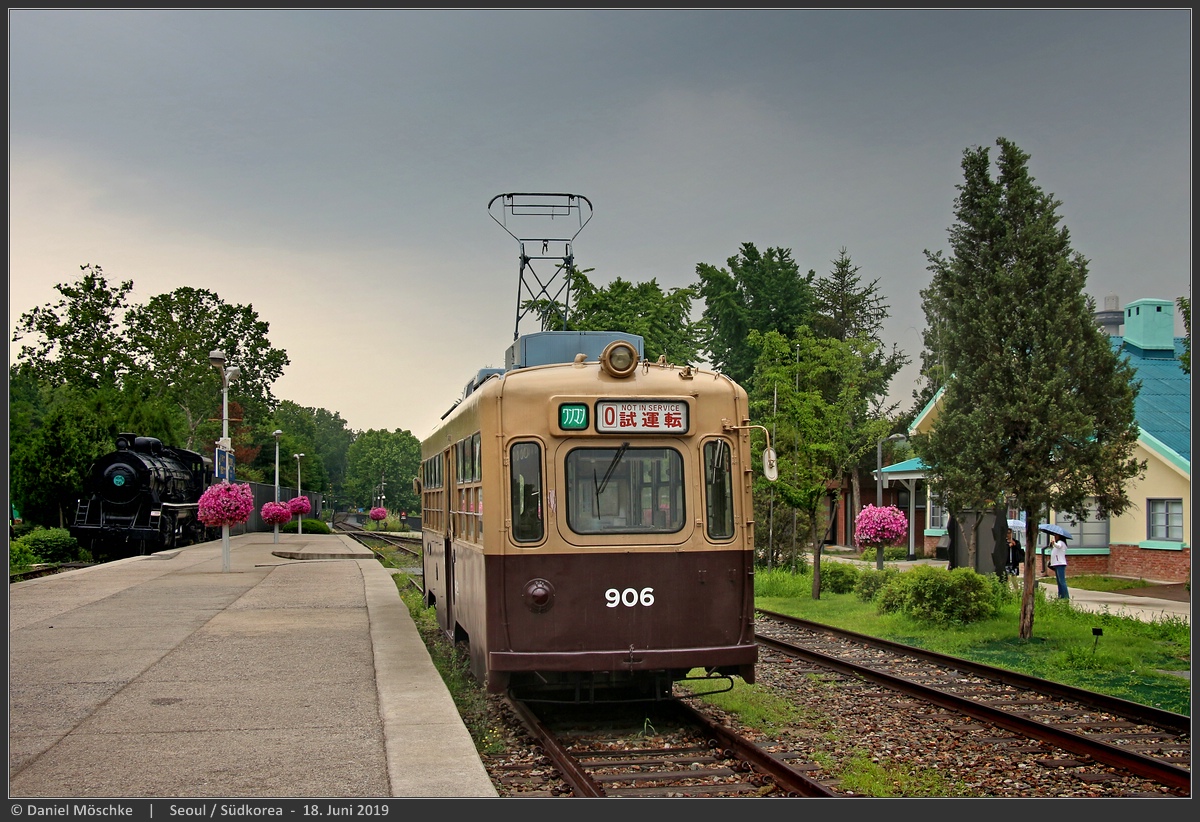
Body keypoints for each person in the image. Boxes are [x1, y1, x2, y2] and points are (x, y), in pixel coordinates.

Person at [1048, 532, 1069, 600]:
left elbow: (1058, 546)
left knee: (1062, 581)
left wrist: (1054, 543)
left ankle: (1065, 596)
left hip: (1060, 563)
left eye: (1056, 535)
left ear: (1060, 536)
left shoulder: (1061, 542)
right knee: (1059, 581)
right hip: (1056, 564)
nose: (1055, 536)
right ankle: (1061, 595)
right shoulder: (1058, 543)